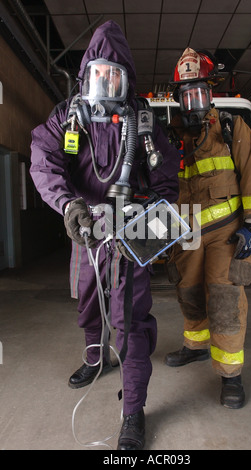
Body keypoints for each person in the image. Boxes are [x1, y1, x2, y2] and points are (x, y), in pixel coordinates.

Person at [30, 20, 179, 450]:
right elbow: (44, 162)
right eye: (99, 73)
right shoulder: (68, 116)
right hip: (86, 232)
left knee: (130, 323)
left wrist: (148, 224)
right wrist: (68, 205)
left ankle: (133, 411)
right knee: (88, 303)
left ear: (128, 79)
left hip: (129, 237)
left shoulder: (144, 123)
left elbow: (168, 183)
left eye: (116, 75)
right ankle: (95, 358)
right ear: (86, 76)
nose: (107, 82)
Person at [165, 48, 251, 409]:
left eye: (200, 93)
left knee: (224, 302)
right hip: (186, 236)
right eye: (187, 94)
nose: (194, 102)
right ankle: (194, 347)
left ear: (210, 94)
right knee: (189, 293)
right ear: (178, 98)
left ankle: (230, 377)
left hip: (227, 233)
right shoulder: (170, 140)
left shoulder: (230, 126)